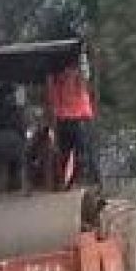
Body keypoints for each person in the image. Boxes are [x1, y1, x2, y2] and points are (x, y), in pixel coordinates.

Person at [47, 51, 100, 186]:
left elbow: (52, 100)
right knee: (82, 153)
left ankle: (70, 182)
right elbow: (85, 78)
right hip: (78, 117)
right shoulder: (75, 75)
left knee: (68, 153)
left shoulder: (55, 78)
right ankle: (81, 181)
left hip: (66, 118)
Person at [0, 82, 28, 193]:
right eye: (9, 95)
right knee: (3, 173)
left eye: (12, 95)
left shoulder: (18, 112)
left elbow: (24, 128)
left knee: (12, 175)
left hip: (11, 152)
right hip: (3, 152)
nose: (13, 98)